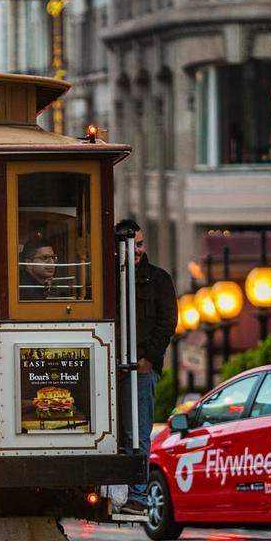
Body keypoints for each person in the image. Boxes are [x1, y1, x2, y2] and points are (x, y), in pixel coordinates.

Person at [114, 219, 177, 516]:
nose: (136, 250)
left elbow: (167, 323)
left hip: (140, 369)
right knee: (117, 434)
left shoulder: (159, 279)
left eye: (139, 244)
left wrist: (148, 360)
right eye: (131, 244)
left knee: (137, 433)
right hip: (113, 367)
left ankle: (137, 496)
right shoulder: (107, 278)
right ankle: (118, 492)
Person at [18, 235, 64, 300]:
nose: (52, 262)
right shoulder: (24, 290)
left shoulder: (40, 287)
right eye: (45, 258)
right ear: (28, 263)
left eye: (53, 258)